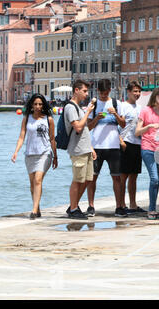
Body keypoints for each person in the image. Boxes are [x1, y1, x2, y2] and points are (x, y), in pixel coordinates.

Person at [11, 93, 57, 220]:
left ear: (43, 105)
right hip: (30, 154)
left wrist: (55, 157)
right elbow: (21, 136)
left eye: (40, 104)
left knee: (38, 180)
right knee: (32, 185)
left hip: (45, 153)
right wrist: (16, 152)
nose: (38, 106)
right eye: (35, 104)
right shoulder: (26, 118)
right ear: (31, 105)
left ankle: (33, 211)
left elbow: (52, 139)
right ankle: (37, 208)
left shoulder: (49, 119)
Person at [87, 79, 127, 217]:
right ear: (98, 91)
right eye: (101, 93)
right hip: (97, 146)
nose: (103, 96)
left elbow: (123, 124)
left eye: (105, 93)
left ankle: (119, 206)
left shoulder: (117, 104)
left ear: (110, 90)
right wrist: (97, 118)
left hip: (113, 146)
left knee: (117, 178)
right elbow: (88, 127)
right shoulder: (94, 104)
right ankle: (91, 206)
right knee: (92, 177)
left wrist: (115, 114)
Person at [135, 87, 159, 220]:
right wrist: (149, 127)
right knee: (154, 178)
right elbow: (137, 132)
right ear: (154, 97)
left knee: (157, 181)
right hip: (147, 148)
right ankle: (151, 209)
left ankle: (153, 209)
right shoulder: (145, 111)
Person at [63, 79, 97, 219]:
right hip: (77, 149)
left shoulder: (78, 107)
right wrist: (88, 112)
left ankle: (74, 204)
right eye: (84, 91)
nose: (87, 94)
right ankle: (73, 208)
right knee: (77, 179)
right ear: (76, 90)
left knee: (88, 179)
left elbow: (85, 130)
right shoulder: (70, 107)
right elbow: (78, 127)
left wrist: (90, 148)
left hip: (85, 149)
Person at [119, 81, 147, 214]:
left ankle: (133, 204)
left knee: (134, 176)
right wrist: (120, 141)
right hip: (126, 142)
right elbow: (118, 125)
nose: (137, 94)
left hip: (137, 143)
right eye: (135, 91)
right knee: (123, 176)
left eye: (139, 91)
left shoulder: (140, 108)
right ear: (128, 92)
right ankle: (122, 204)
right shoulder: (122, 106)